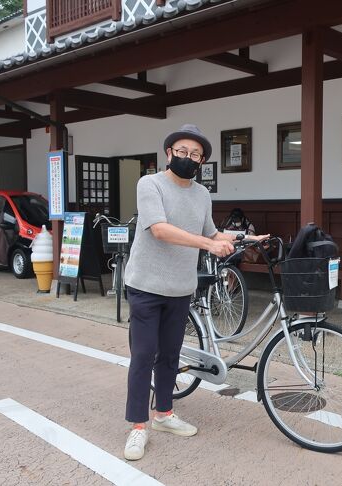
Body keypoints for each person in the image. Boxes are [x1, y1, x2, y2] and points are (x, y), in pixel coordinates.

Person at [122, 124, 268, 461]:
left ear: (202, 161)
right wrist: (208, 244)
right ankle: (138, 427)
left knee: (170, 355)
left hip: (180, 287)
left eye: (196, 155)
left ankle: (163, 414)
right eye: (183, 152)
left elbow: (213, 232)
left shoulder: (202, 194)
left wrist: (247, 238)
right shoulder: (150, 184)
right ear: (169, 153)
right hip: (145, 284)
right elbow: (159, 229)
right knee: (144, 355)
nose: (189, 158)